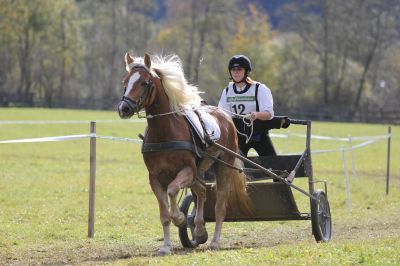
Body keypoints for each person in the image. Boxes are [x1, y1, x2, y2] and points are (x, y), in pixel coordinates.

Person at [218, 54, 277, 157]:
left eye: (239, 69)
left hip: (259, 134)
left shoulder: (259, 88)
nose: (236, 72)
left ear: (246, 71)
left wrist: (256, 115)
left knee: (274, 165)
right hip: (238, 135)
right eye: (233, 69)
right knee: (233, 167)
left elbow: (269, 114)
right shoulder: (227, 91)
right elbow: (223, 115)